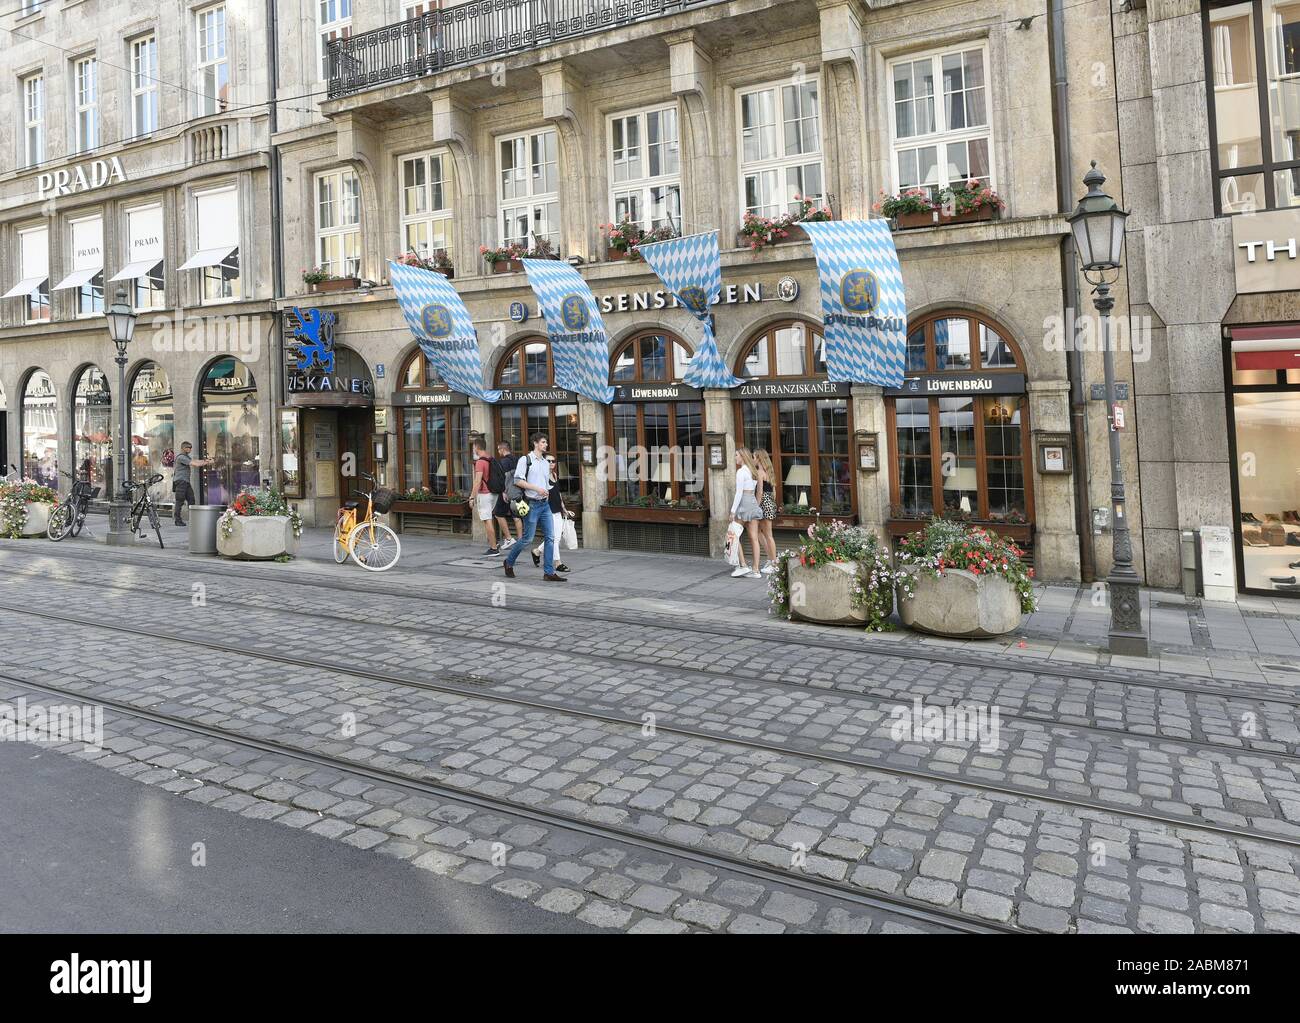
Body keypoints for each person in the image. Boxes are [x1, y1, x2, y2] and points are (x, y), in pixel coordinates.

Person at [502, 433, 565, 582]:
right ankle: (509, 562)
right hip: (531, 504)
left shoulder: (544, 462)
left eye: (546, 442)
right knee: (527, 539)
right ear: (535, 443)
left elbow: (545, 483)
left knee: (551, 537)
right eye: (543, 442)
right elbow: (518, 480)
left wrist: (547, 492)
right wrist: (537, 489)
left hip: (545, 505)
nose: (546, 445)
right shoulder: (526, 460)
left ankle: (549, 572)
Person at [531, 452, 574, 573]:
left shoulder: (554, 475)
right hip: (547, 510)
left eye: (553, 461)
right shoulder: (541, 476)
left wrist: (564, 509)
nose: (551, 463)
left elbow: (558, 494)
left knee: (556, 537)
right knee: (554, 538)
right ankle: (557, 563)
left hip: (557, 510)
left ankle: (537, 551)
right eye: (548, 461)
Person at [729, 446, 764, 579]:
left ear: (742, 456)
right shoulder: (753, 471)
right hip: (752, 501)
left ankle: (743, 565)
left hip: (744, 501)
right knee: (754, 538)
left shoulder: (741, 472)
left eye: (736, 455)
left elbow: (739, 493)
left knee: (734, 533)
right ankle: (756, 570)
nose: (735, 458)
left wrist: (733, 511)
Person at [470, 438, 500, 556]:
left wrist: (472, 497)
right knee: (490, 518)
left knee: (487, 520)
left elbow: (477, 481)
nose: (473, 449)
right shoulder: (491, 458)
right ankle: (495, 543)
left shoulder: (480, 462)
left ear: (477, 447)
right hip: (494, 493)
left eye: (473, 447)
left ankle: (493, 548)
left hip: (485, 494)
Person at [492, 440, 524, 549]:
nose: (498, 452)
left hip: (506, 493)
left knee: (498, 514)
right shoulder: (518, 460)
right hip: (518, 492)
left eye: (498, 449)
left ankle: (509, 538)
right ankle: (520, 542)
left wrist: (503, 491)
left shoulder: (502, 462)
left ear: (502, 449)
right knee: (517, 517)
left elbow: (501, 479)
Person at [172, 442, 214, 525]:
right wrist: (208, 462)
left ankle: (193, 519)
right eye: (188, 447)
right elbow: (195, 464)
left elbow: (195, 461)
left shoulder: (186, 457)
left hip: (185, 482)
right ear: (183, 448)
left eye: (191, 447)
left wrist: (206, 460)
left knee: (191, 500)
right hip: (181, 482)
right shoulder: (181, 457)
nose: (190, 449)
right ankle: (177, 520)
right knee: (179, 501)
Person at [754, 448, 780, 573]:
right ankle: (771, 558)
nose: (753, 459)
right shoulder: (769, 472)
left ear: (759, 458)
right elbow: (774, 491)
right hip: (769, 502)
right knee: (759, 532)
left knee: (768, 535)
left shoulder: (759, 472)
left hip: (763, 503)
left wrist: (755, 507)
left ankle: (774, 563)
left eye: (754, 457)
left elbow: (759, 492)